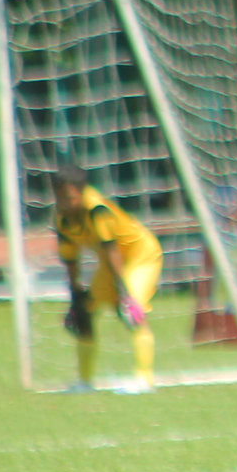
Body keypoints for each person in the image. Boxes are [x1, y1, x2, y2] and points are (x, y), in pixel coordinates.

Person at [51, 164, 160, 393]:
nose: (65, 203)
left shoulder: (97, 209)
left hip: (140, 254)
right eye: (60, 198)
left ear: (81, 192)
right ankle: (84, 381)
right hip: (113, 263)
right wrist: (75, 297)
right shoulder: (62, 219)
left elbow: (112, 250)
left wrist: (124, 294)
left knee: (133, 310)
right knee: (86, 312)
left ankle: (144, 379)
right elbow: (71, 259)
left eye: (69, 198)